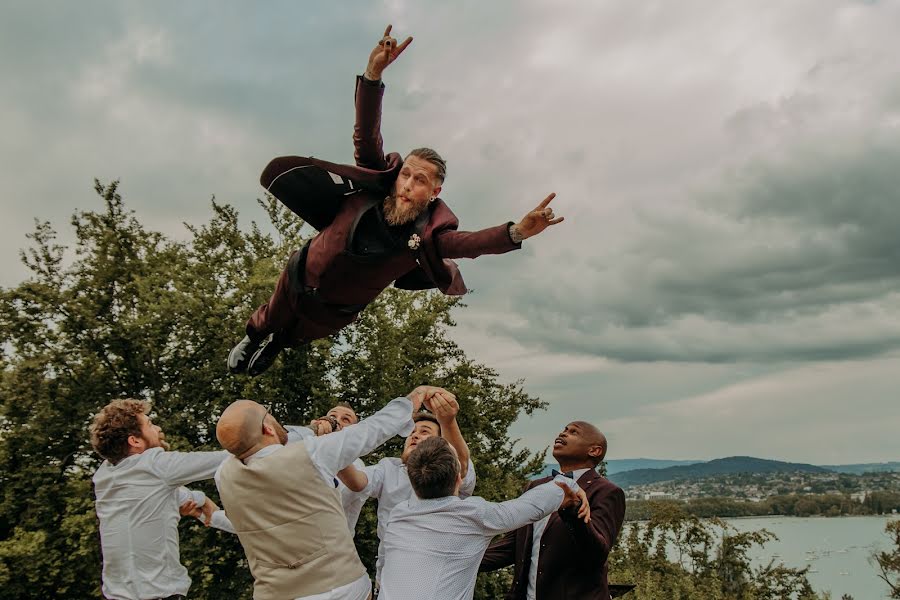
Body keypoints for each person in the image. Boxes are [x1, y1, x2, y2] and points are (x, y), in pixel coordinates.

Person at [228, 24, 564, 376]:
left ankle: (279, 344)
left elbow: (470, 244)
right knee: (275, 312)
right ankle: (255, 337)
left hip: (339, 307)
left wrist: (519, 231)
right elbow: (366, 134)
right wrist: (373, 74)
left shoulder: (430, 234)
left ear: (434, 192)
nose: (407, 184)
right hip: (305, 271)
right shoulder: (375, 183)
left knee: (300, 333)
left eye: (420, 181)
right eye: (406, 174)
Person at [212, 386, 439, 600]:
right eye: (269, 415)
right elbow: (373, 429)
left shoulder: (224, 474)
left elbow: (244, 521)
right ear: (268, 428)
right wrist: (411, 401)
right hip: (338, 587)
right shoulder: (312, 454)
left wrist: (212, 517)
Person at [378, 436, 589, 600]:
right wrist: (568, 484)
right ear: (459, 479)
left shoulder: (397, 515)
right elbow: (531, 506)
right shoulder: (473, 515)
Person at [90, 399, 230, 600]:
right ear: (135, 441)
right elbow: (226, 459)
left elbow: (180, 496)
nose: (157, 428)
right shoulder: (154, 465)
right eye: (149, 425)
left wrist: (201, 499)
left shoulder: (105, 477)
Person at [337, 388, 475, 586]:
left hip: (439, 580)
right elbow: (357, 482)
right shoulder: (388, 468)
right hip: (389, 580)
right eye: (411, 433)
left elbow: (460, 467)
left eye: (424, 432)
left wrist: (448, 421)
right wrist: (336, 444)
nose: (414, 436)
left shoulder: (451, 471)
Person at [480, 421, 626, 600]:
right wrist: (457, 557)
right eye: (564, 429)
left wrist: (573, 512)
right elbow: (513, 546)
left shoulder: (607, 492)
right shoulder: (537, 486)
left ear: (594, 450)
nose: (563, 433)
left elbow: (596, 554)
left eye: (574, 432)